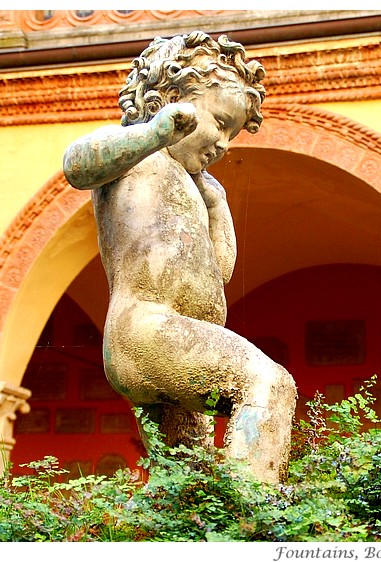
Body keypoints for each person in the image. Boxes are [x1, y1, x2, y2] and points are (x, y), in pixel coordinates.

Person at [63, 31, 297, 483]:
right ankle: (256, 519)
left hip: (179, 337)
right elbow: (77, 164)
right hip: (149, 330)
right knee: (268, 384)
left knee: (191, 478)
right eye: (219, 122)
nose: (224, 143)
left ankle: (201, 530)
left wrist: (217, 206)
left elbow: (219, 270)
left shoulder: (197, 187)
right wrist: (154, 133)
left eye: (232, 133)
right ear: (167, 101)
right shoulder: (136, 153)